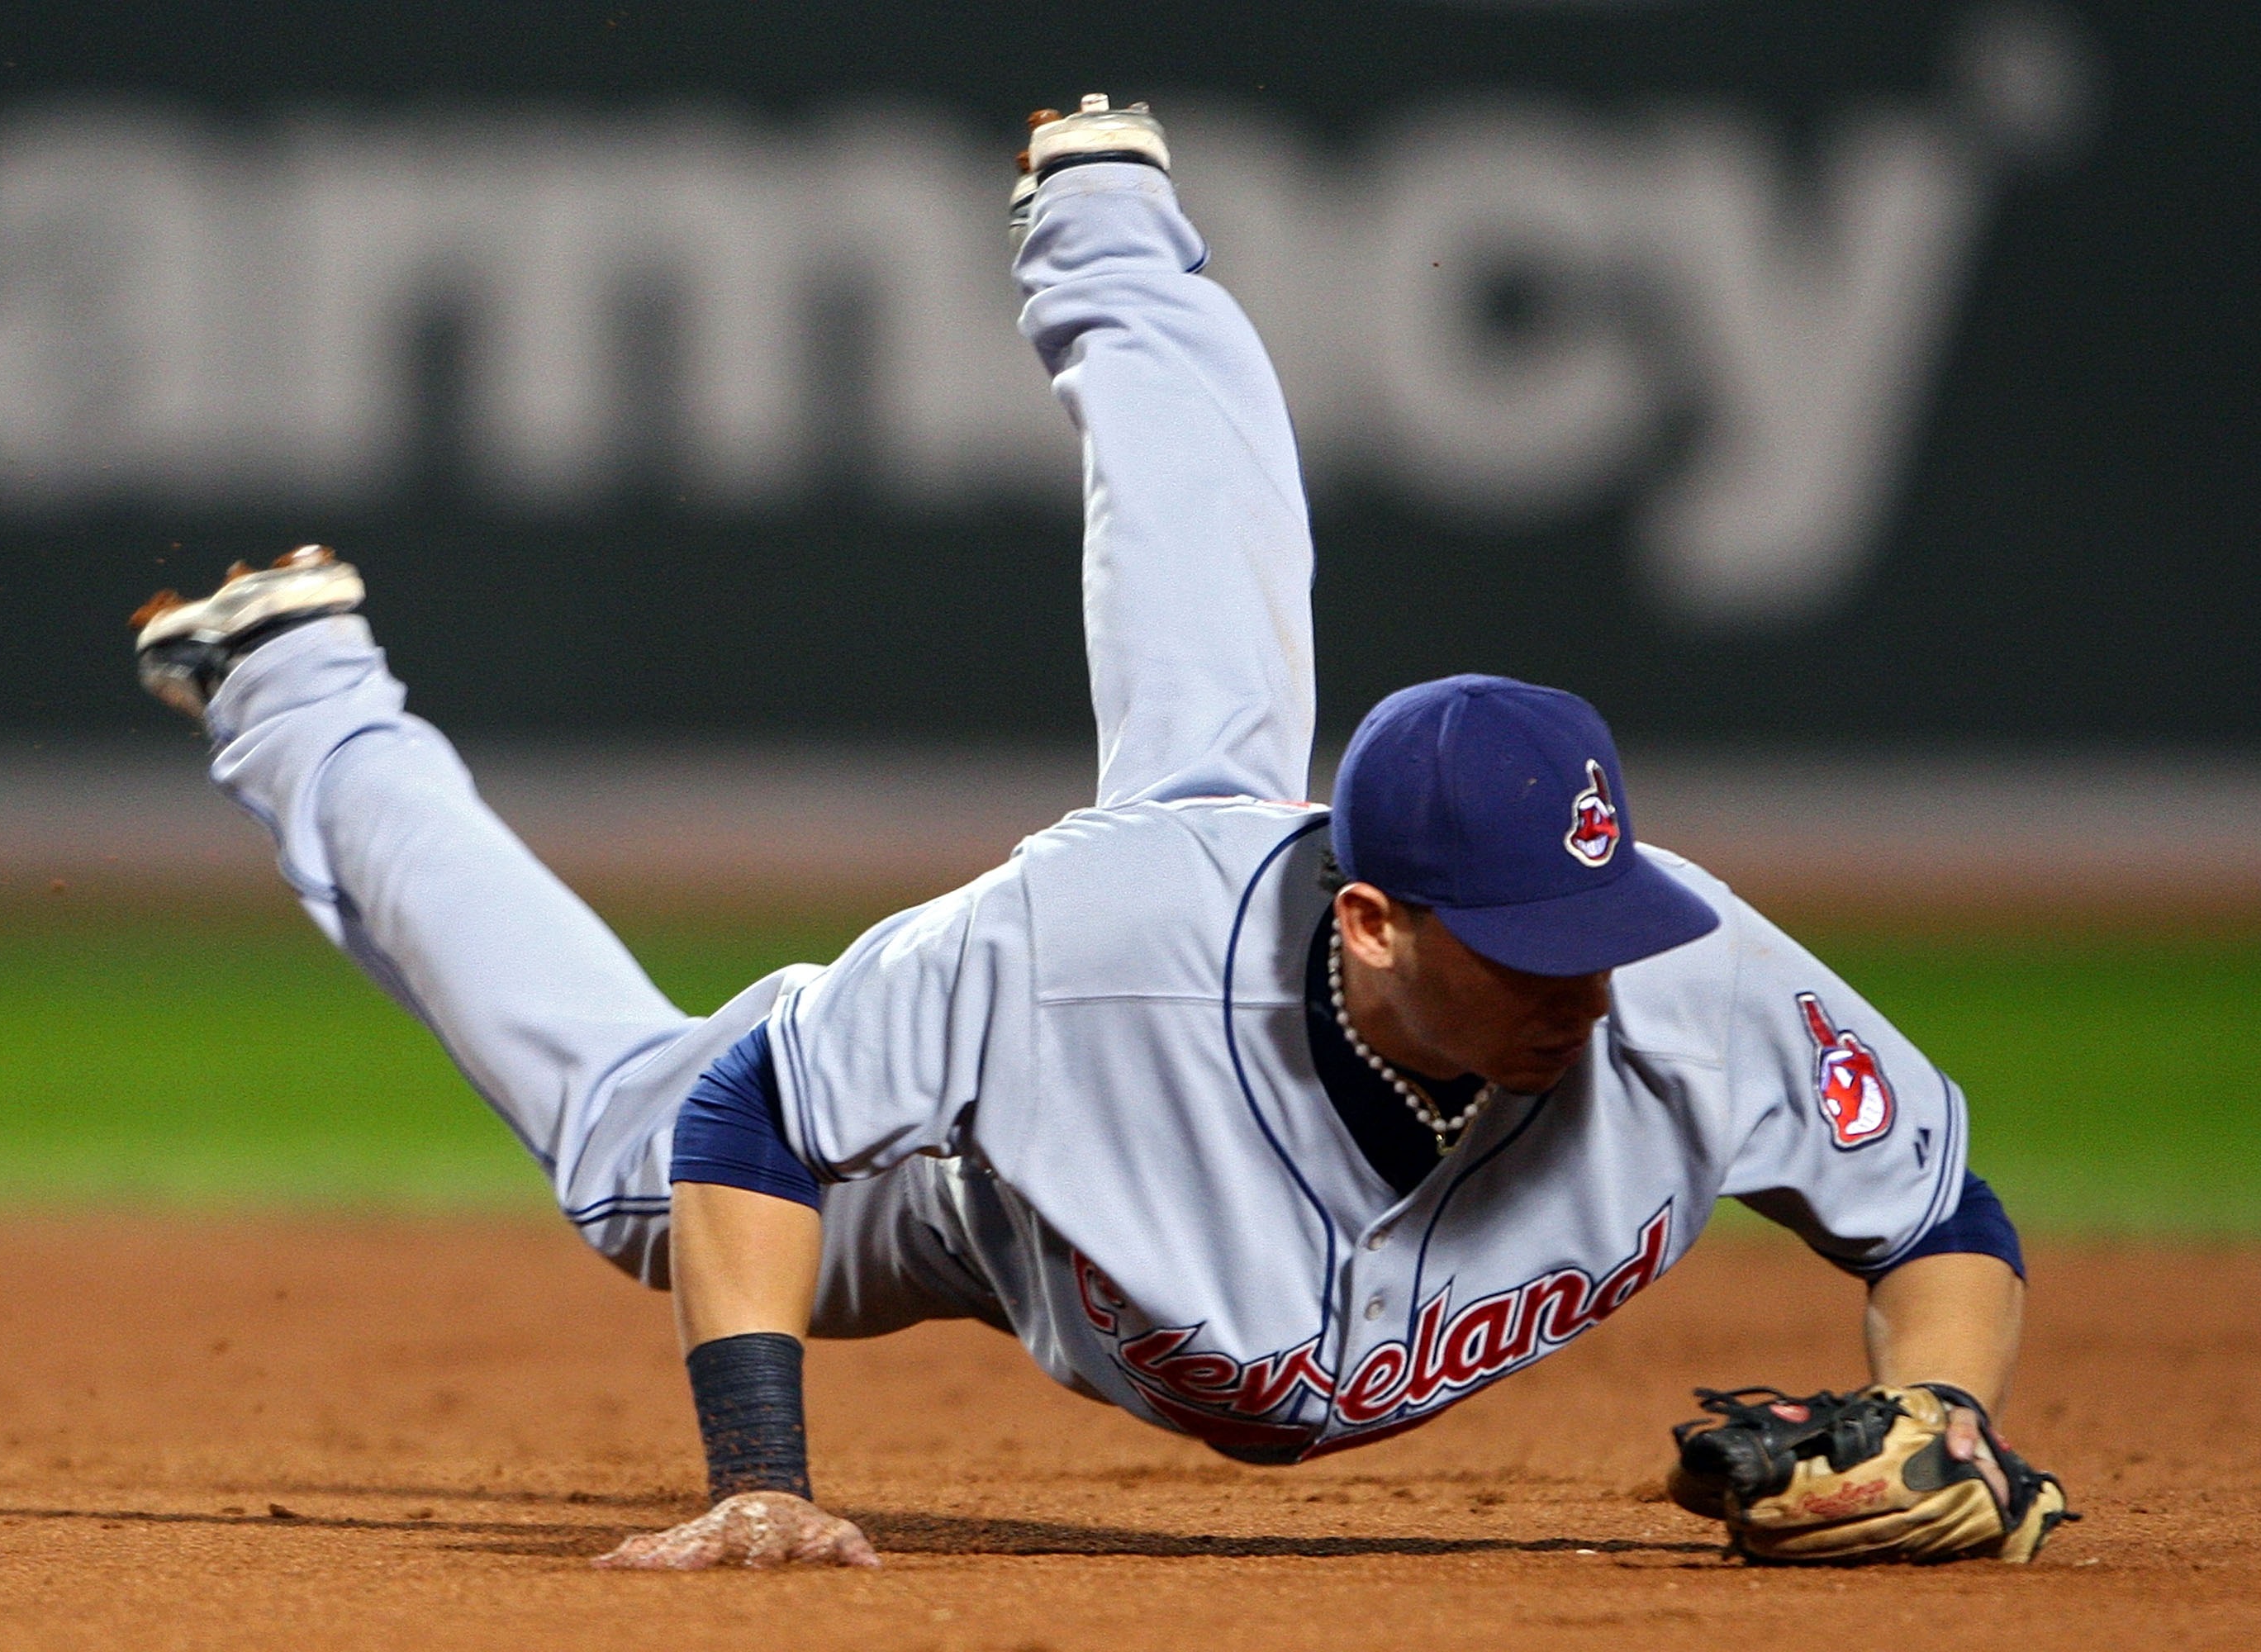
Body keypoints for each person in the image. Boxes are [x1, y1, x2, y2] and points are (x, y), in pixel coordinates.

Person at [128, 96, 2063, 1570]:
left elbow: (1937, 1205)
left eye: (1595, 918)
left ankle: (1109, 217)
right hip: (1006, 1184)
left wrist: (1943, 1411)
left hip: (1212, 907)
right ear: (1377, 921)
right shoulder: (1080, 955)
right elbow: (752, 1118)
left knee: (1211, 725)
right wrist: (762, 1480)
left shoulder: (1678, 972)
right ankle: (303, 695)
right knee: (637, 1148)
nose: (1584, 974)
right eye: (1522, 939)